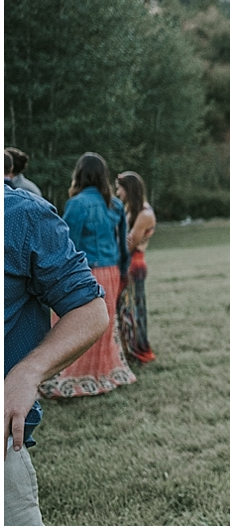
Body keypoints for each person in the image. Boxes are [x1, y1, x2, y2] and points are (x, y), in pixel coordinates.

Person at [5, 179, 109, 525]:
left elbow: (90, 309)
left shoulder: (20, 214)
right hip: (110, 265)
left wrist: (29, 371)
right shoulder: (111, 202)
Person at [39, 152, 136, 398]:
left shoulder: (77, 204)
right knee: (104, 324)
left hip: (85, 272)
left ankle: (70, 377)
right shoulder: (114, 204)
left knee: (70, 325)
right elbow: (123, 246)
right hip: (111, 271)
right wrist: (123, 273)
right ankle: (102, 374)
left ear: (79, 174)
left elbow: (65, 244)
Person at [115, 171, 157, 364]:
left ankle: (139, 350)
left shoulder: (144, 214)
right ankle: (126, 349)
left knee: (134, 309)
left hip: (134, 263)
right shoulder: (130, 208)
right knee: (125, 308)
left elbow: (129, 243)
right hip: (126, 261)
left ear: (128, 189)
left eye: (119, 188)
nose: (117, 192)